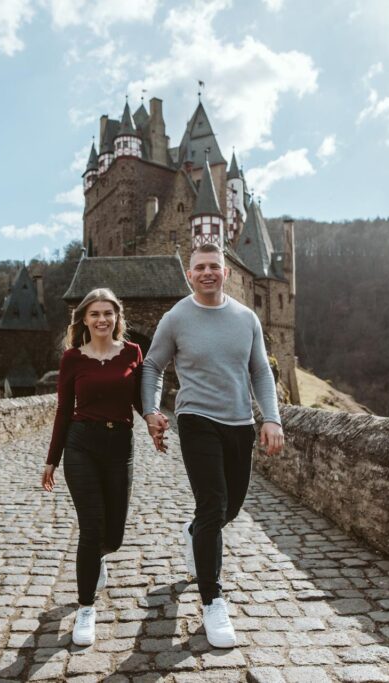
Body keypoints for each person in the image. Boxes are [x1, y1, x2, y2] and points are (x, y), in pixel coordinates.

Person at [141, 242, 285, 649]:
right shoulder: (176, 318)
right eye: (200, 267)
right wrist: (151, 409)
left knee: (230, 507)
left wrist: (270, 417)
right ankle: (212, 601)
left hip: (239, 422)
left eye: (214, 267)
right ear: (190, 275)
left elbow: (260, 370)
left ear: (226, 273)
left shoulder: (247, 318)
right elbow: (152, 365)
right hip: (196, 419)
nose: (207, 273)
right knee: (212, 502)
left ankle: (196, 534)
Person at [42, 288, 143, 647]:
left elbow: (140, 401)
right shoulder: (73, 359)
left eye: (108, 313)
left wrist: (156, 419)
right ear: (83, 319)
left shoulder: (132, 353)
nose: (102, 319)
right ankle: (86, 607)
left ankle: (99, 560)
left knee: (113, 536)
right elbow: (62, 411)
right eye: (95, 314)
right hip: (81, 445)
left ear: (117, 317)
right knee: (91, 526)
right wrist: (52, 459)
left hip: (120, 447)